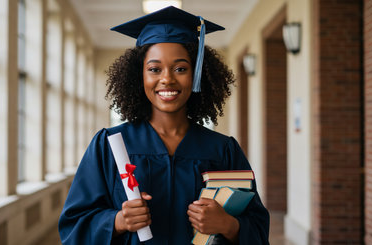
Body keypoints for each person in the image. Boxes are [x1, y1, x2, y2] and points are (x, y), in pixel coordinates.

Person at [58, 6, 269, 245]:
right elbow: (73, 227)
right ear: (140, 76)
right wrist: (117, 221)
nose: (167, 78)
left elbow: (259, 229)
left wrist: (229, 225)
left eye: (181, 68)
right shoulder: (108, 145)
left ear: (197, 74)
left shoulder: (223, 150)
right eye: (154, 69)